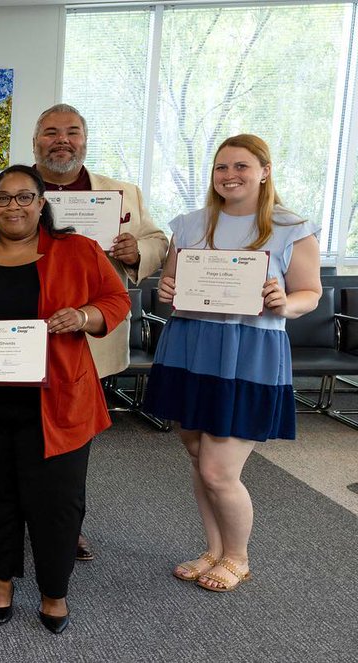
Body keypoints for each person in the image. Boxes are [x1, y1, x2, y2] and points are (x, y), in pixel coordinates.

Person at [0, 103, 169, 560]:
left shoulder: (121, 191)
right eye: (50, 132)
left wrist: (134, 250)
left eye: (71, 132)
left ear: (85, 140)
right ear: (35, 142)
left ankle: (64, 526)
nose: (61, 140)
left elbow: (157, 242)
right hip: (0, 343)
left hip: (80, 342)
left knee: (66, 444)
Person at [0, 164, 129, 634]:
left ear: (41, 203)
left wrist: (83, 315)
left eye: (24, 197)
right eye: (3, 198)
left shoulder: (76, 250)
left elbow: (116, 301)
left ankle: (54, 590)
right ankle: (1, 578)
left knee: (56, 503)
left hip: (58, 404)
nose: (12, 206)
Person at [143, 134, 320, 592]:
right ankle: (213, 549)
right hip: (190, 345)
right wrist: (166, 290)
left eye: (241, 166)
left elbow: (310, 294)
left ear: (264, 170)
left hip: (249, 352)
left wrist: (285, 301)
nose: (230, 175)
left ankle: (238, 556)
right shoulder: (189, 223)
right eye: (222, 167)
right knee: (198, 454)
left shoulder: (290, 227)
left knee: (219, 470)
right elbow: (171, 282)